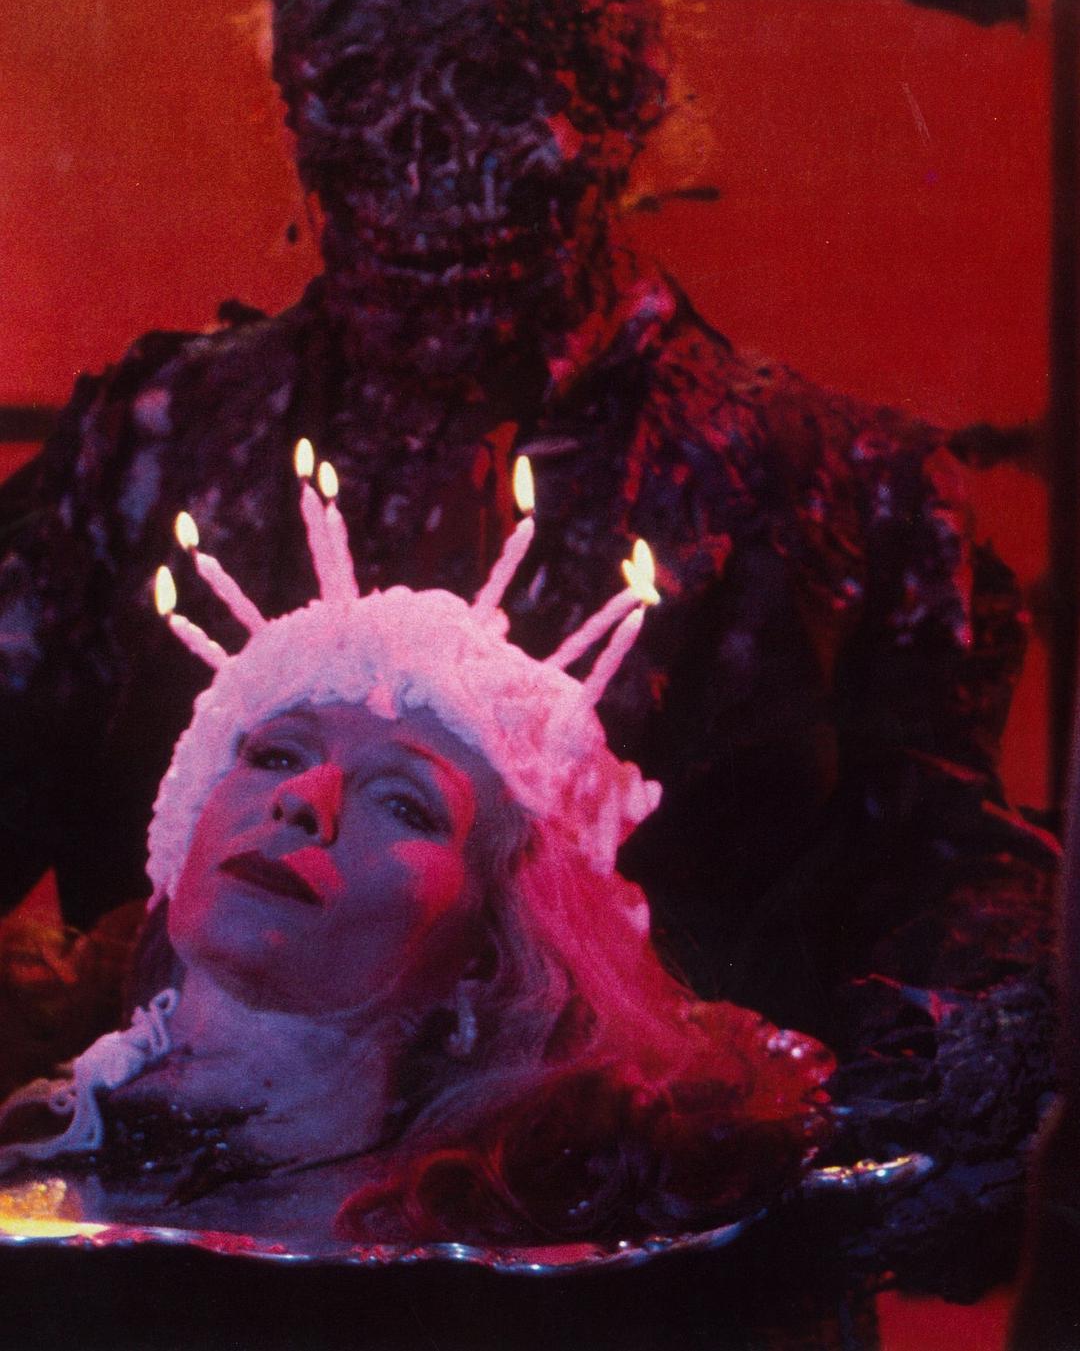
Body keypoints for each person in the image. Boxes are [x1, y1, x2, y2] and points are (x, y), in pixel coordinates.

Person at [0, 0, 1055, 1299]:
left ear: (623, 104)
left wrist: (732, 1143)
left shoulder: (837, 496)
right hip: (143, 1276)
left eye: (492, 88)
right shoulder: (151, 444)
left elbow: (969, 922)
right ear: (293, 106)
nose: (419, 159)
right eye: (360, 86)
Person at [0, 460, 832, 1247]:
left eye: (403, 802)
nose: (303, 798)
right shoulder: (33, 1110)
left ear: (487, 953)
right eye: (275, 754)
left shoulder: (490, 1258)